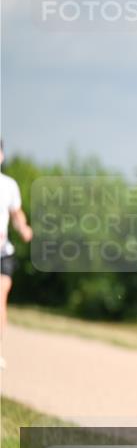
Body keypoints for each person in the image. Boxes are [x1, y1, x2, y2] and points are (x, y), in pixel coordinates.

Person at [0, 140, 33, 362]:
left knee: (0, 295)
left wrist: (22, 227)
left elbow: (17, 213)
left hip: (3, 252)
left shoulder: (9, 185)